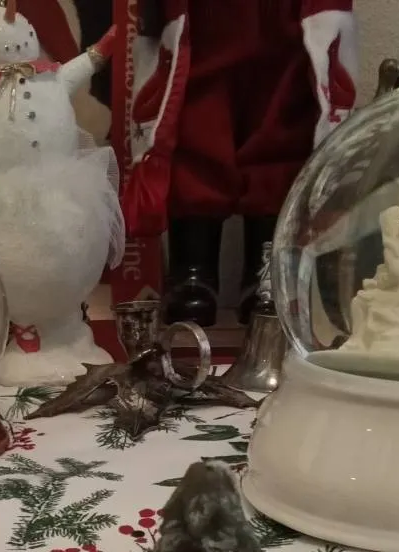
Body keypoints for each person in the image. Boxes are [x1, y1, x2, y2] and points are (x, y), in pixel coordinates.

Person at [123, 0, 358, 326]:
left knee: (281, 125)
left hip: (285, 18)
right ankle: (193, 265)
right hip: (208, 18)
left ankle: (265, 264)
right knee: (197, 120)